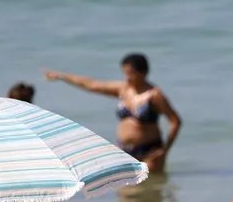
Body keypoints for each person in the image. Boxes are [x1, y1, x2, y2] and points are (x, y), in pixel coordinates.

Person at [45, 53, 182, 173]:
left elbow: (175, 121)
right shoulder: (123, 89)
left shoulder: (154, 95)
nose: (127, 78)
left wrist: (165, 150)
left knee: (152, 190)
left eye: (131, 74)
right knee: (125, 192)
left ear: (143, 73)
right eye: (125, 73)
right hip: (124, 151)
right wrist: (62, 76)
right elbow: (92, 85)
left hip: (150, 152)